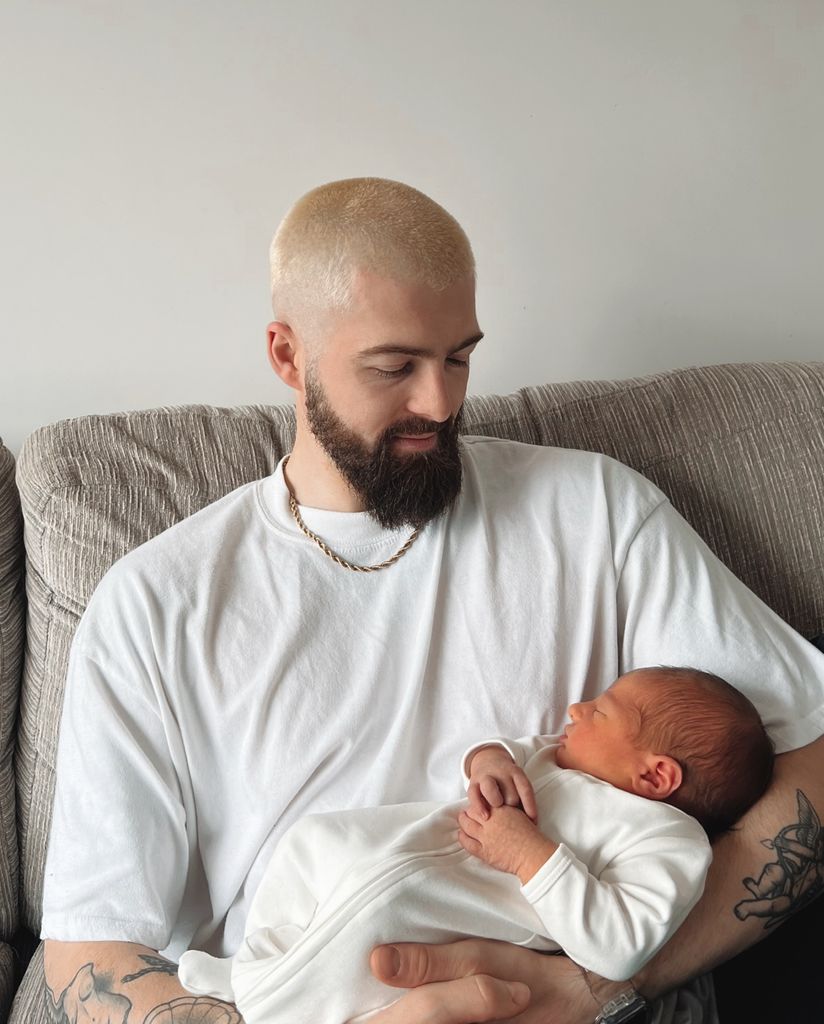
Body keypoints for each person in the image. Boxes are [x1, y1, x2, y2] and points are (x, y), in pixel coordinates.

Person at [41, 177, 824, 1024]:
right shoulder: (154, 604)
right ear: (285, 355)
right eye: (395, 366)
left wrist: (594, 988)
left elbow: (813, 760)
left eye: (459, 356)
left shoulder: (597, 512)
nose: (441, 402)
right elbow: (94, 953)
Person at [175, 666, 773, 1024]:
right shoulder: (561, 756)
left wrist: (527, 855)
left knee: (366, 935)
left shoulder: (669, 840)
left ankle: (265, 998)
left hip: (449, 907)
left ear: (655, 776)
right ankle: (258, 962)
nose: (576, 708)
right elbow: (505, 748)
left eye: (601, 711)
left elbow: (620, 946)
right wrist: (489, 761)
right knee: (315, 841)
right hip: (400, 846)